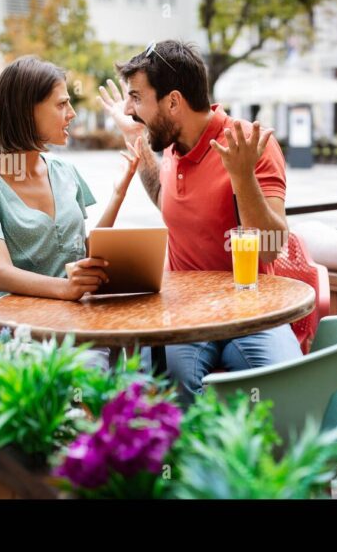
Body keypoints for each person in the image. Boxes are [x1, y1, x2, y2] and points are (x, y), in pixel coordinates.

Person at [98, 40, 301, 405]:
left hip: (251, 311)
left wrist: (242, 177)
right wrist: (137, 140)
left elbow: (270, 249)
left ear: (173, 102)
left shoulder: (246, 143)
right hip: (184, 314)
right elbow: (167, 201)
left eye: (136, 98)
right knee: (158, 397)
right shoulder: (172, 146)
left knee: (291, 393)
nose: (128, 109)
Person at [0, 55, 139, 347]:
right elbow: (0, 273)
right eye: (62, 104)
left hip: (78, 322)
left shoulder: (65, 171)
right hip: (15, 330)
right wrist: (66, 288)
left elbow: (82, 251)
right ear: (27, 110)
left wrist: (118, 194)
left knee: (130, 363)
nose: (72, 114)